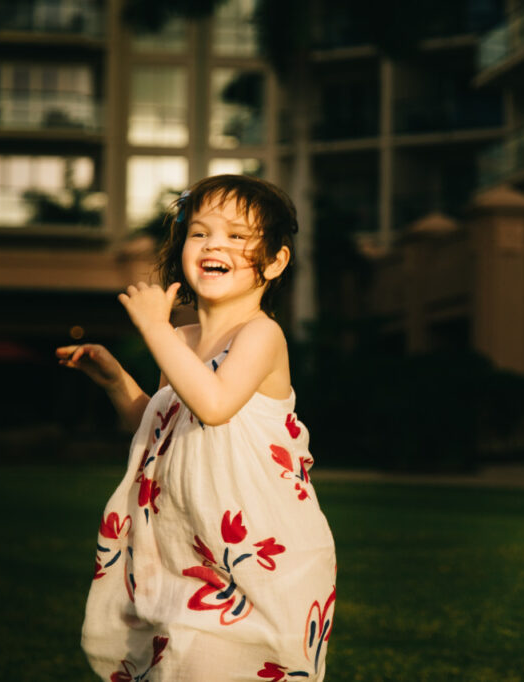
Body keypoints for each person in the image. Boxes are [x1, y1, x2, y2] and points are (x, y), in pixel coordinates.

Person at [56, 175, 336, 681]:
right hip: (185, 548)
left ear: (274, 262)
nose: (215, 245)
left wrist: (155, 329)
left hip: (257, 558)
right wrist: (118, 381)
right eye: (201, 232)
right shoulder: (181, 341)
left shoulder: (261, 334)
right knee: (174, 669)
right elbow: (165, 424)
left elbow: (214, 405)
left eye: (237, 236)